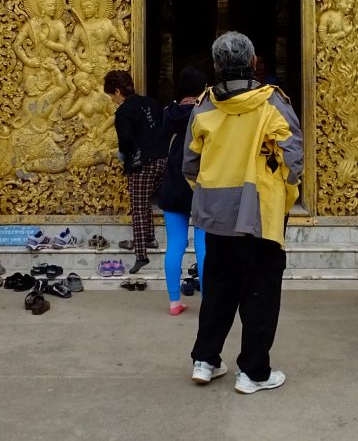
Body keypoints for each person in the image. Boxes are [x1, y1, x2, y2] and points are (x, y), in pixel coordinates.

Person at [185, 31, 304, 395]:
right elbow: (293, 160)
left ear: (217, 65)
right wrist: (278, 189)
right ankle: (253, 372)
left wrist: (213, 197)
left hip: (216, 217)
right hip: (261, 215)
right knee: (260, 294)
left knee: (218, 291)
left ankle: (206, 361)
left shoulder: (204, 105)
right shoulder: (273, 103)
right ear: (254, 63)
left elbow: (190, 165)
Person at [156, 66, 208, 316]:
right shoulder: (207, 112)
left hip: (173, 185)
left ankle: (174, 302)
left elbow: (161, 140)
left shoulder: (168, 113)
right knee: (204, 246)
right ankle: (209, 301)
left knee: (175, 245)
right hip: (201, 185)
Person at [104, 70, 166, 273]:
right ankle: (149, 237)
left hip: (142, 163)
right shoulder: (153, 103)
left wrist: (125, 155)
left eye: (112, 96)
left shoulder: (123, 112)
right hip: (162, 160)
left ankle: (141, 255)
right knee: (146, 199)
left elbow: (126, 141)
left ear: (118, 91)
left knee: (138, 207)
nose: (113, 100)